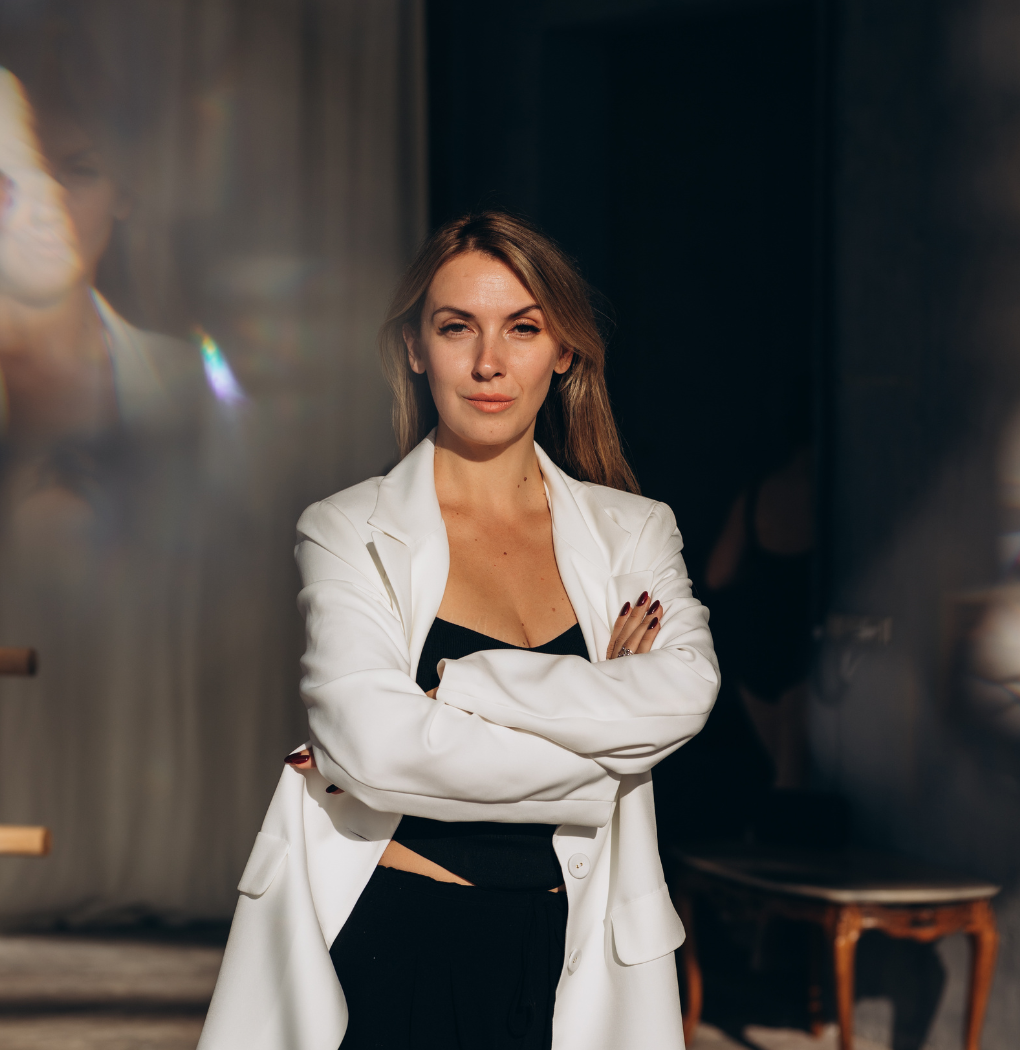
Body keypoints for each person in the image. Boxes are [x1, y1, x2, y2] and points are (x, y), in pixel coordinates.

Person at [199, 212, 720, 1050]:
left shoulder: (636, 530)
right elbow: (373, 749)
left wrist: (463, 688)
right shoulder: (346, 528)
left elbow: (683, 694)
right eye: (456, 327)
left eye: (523, 328)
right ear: (415, 348)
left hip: (577, 950)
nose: (488, 362)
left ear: (564, 350)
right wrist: (606, 747)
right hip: (397, 941)